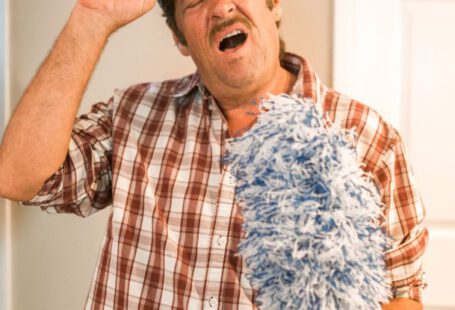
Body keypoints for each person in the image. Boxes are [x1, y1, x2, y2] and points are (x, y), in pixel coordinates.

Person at [0, 0, 428, 309]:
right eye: (196, 0)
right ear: (179, 39)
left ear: (273, 3)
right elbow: (18, 177)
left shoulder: (366, 135)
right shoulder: (132, 114)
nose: (222, 7)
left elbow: (401, 293)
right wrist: (90, 19)